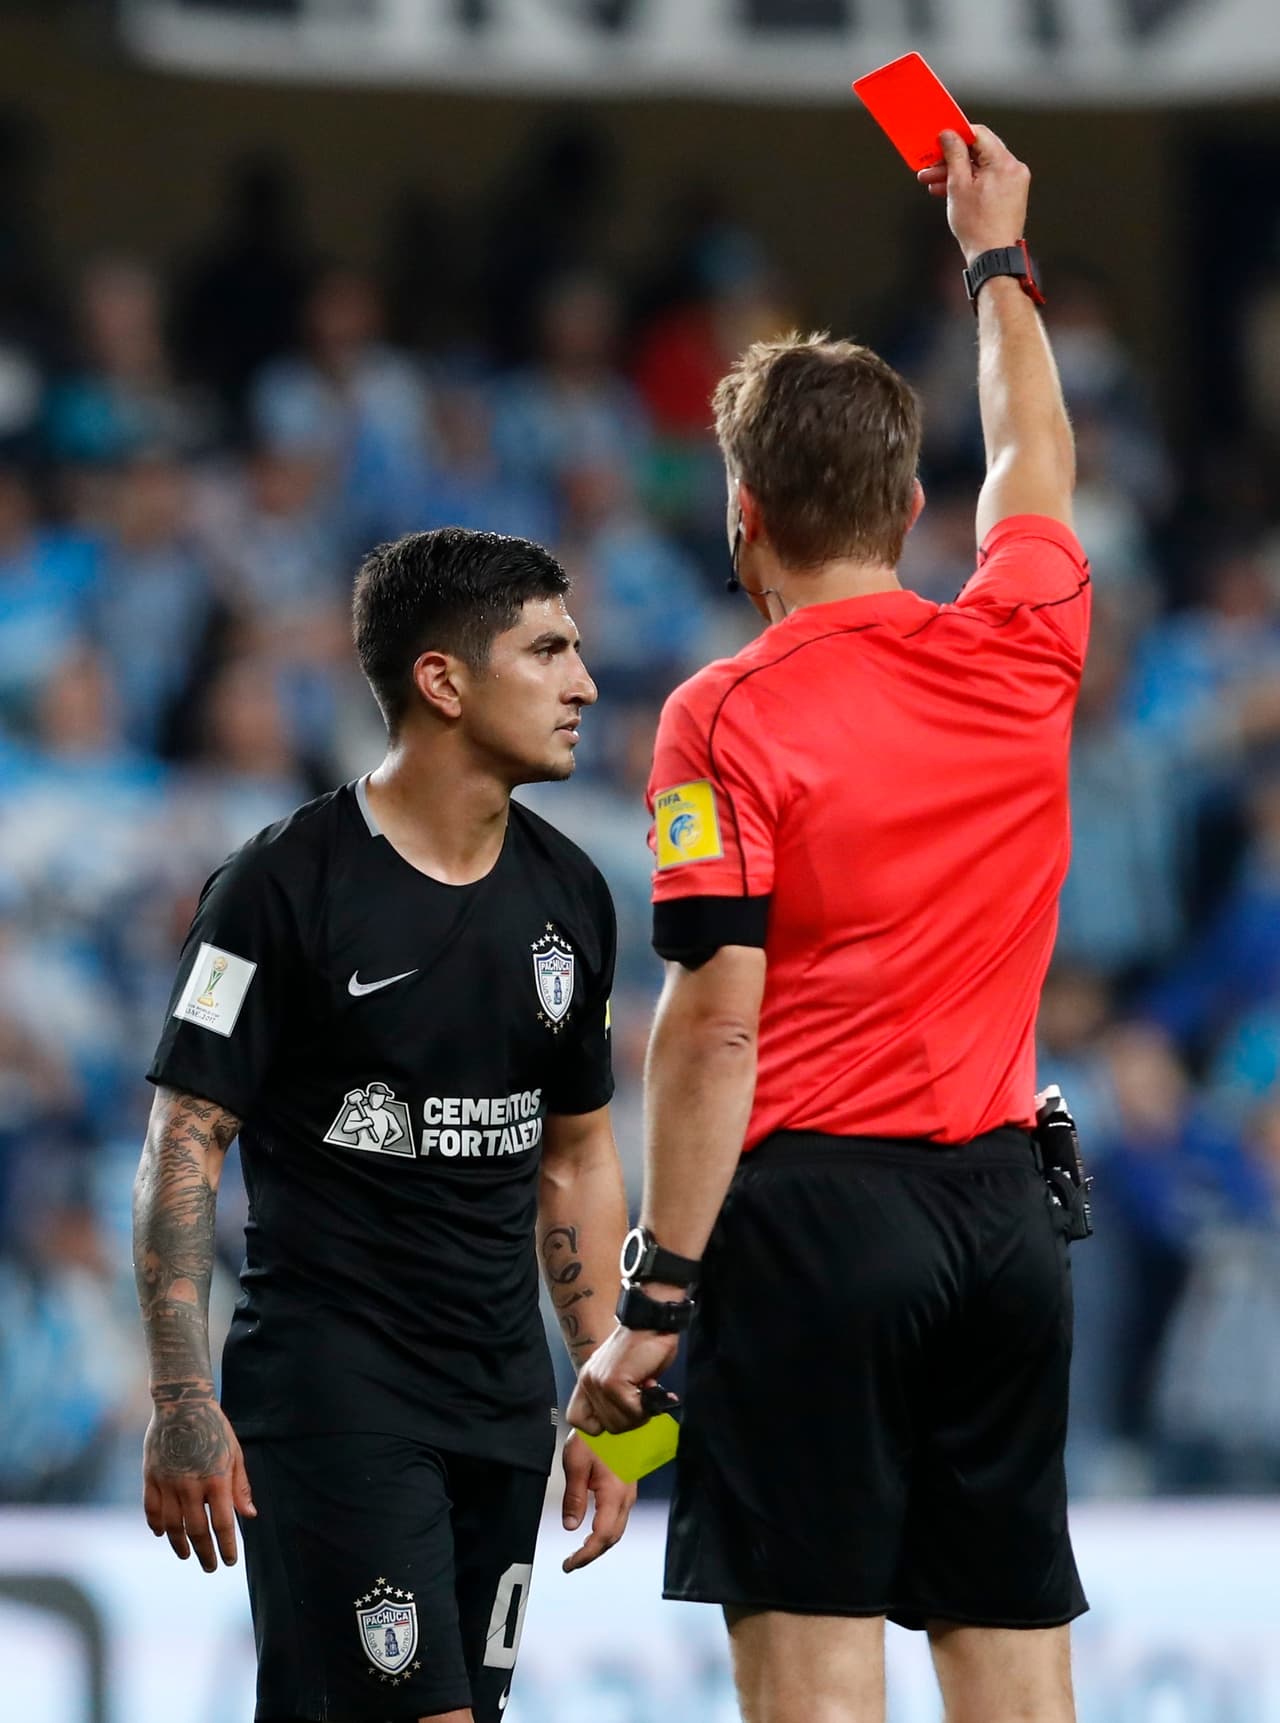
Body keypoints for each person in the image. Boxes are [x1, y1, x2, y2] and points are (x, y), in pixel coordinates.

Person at [571, 127, 1090, 1723]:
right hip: (1006, 1224)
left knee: (814, 1689)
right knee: (1016, 1684)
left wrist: (653, 1300)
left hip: (811, 1236)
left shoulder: (721, 713)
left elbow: (716, 1022)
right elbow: (1037, 463)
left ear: (742, 512)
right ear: (912, 499)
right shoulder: (1025, 637)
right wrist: (994, 258)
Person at [133, 527, 635, 1723]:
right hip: (335, 1392)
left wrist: (616, 1406)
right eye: (549, 650)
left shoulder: (571, 895)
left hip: (503, 1402)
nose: (586, 683)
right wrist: (180, 1397)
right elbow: (185, 1139)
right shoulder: (278, 887)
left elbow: (574, 1156)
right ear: (443, 681)